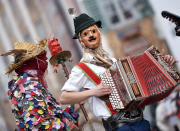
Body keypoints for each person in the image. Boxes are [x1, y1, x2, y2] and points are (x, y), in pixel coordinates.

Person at [60, 13, 178, 131]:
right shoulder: (81, 68)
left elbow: (143, 81)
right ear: (81, 40)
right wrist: (93, 92)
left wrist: (164, 65)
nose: (91, 35)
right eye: (86, 34)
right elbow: (64, 97)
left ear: (99, 34)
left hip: (140, 122)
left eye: (93, 31)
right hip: (119, 126)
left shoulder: (113, 61)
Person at [2, 39, 78, 131]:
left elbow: (48, 112)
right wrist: (65, 123)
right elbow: (38, 125)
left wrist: (70, 112)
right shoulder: (29, 87)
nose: (45, 61)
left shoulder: (29, 83)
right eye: (42, 58)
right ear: (35, 62)